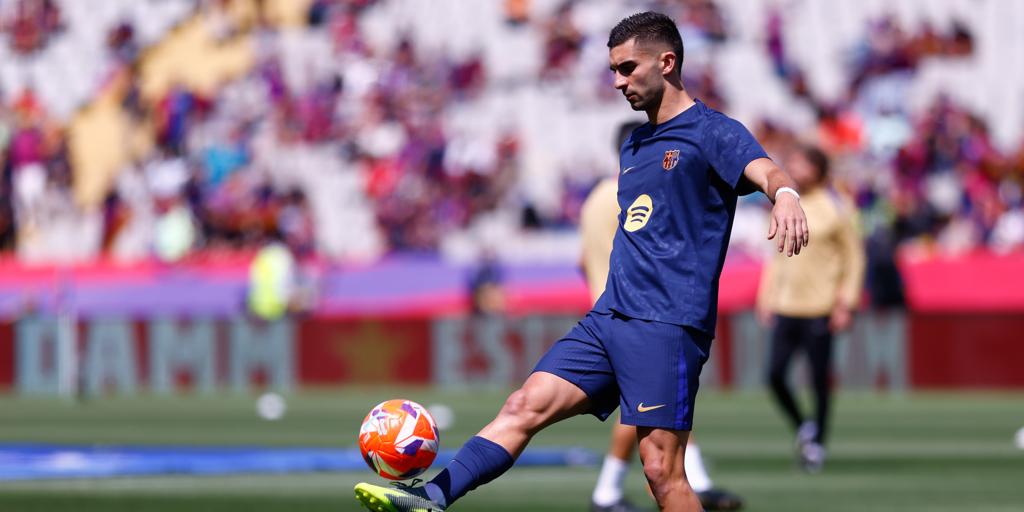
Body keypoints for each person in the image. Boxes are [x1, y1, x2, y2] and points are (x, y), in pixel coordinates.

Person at [354, 11, 809, 512]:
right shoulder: (634, 145)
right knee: (523, 405)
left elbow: (767, 170)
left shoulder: (712, 131)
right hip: (608, 318)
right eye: (613, 70)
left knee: (662, 470)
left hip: (665, 323)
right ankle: (430, 499)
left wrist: (785, 195)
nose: (617, 82)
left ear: (667, 62)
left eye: (627, 68)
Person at [586, 123, 743, 512]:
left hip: (609, 306)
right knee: (651, 406)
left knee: (666, 405)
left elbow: (582, 257)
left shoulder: (594, 199)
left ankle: (693, 480)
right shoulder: (628, 192)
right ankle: (607, 492)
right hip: (634, 309)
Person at [755, 145, 864, 473]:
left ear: (817, 169)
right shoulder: (786, 202)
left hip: (820, 306)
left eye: (800, 163)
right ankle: (805, 426)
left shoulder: (836, 205)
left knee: (818, 379)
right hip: (787, 305)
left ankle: (817, 443)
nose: (793, 168)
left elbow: (854, 258)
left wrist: (847, 302)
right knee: (774, 375)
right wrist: (766, 297)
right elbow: (776, 256)